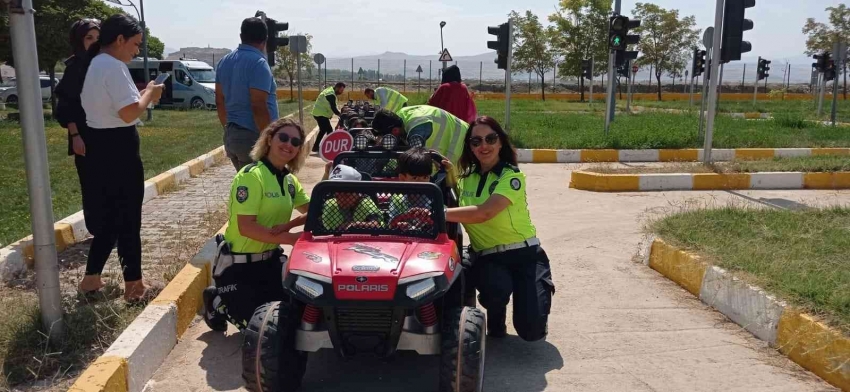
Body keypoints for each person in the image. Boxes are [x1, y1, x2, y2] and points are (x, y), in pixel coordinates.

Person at [445, 116, 554, 342]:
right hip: (489, 257)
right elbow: (445, 185)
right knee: (496, 289)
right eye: (476, 141)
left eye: (490, 139)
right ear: (470, 147)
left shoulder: (512, 176)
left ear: (501, 142)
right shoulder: (465, 179)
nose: (484, 146)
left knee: (531, 332)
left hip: (525, 255)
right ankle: (496, 323)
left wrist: (440, 212)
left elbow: (484, 212)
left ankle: (531, 304)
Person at [79, 14, 164, 302]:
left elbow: (119, 107)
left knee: (112, 221)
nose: (137, 51)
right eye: (136, 44)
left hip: (101, 147)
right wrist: (150, 94)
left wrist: (142, 95)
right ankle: (135, 288)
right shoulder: (113, 66)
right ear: (119, 40)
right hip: (120, 150)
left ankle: (91, 278)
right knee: (128, 220)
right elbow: (129, 113)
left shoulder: (97, 64)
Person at [203, 118, 310, 332]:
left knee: (295, 317)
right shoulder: (251, 177)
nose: (289, 144)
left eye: (296, 142)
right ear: (269, 139)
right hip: (240, 266)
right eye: (283, 137)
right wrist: (290, 238)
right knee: (257, 328)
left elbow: (313, 210)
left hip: (270, 262)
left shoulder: (289, 181)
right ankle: (216, 302)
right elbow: (247, 228)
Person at [54, 18, 99, 261]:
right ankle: (98, 230)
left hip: (104, 133)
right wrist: (75, 135)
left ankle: (109, 228)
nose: (93, 42)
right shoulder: (75, 67)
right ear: (79, 40)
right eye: (88, 37)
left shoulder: (102, 63)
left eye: (96, 37)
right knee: (91, 184)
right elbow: (67, 106)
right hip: (83, 133)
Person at [215, 17, 279, 170]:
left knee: (245, 187)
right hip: (253, 138)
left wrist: (228, 128)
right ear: (266, 39)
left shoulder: (224, 61)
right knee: (260, 189)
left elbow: (219, 100)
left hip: (232, 135)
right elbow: (258, 105)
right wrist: (268, 140)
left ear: (241, 36)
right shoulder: (259, 63)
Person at [370, 105, 468, 167]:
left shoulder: (418, 128)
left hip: (463, 142)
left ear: (395, 130)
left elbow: (416, 158)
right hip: (451, 146)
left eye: (384, 136)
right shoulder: (401, 116)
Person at [320, 165, 383, 230]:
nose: (341, 199)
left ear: (357, 191)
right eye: (337, 195)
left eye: (346, 195)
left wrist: (356, 225)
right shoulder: (330, 205)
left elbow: (376, 224)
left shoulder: (366, 203)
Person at [311, 82, 346, 152]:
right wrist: (341, 115)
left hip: (319, 113)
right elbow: (333, 108)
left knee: (323, 130)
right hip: (320, 114)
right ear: (337, 88)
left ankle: (315, 147)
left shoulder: (330, 91)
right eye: (341, 90)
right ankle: (331, 148)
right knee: (329, 130)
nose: (342, 92)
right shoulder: (331, 95)